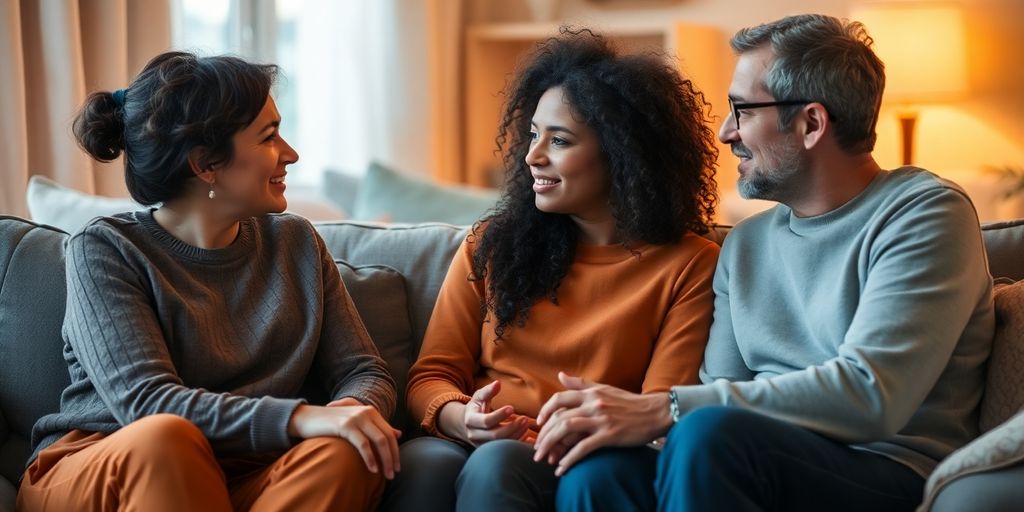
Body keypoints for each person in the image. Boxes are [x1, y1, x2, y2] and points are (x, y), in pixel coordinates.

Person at [536, 14, 995, 511]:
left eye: (743, 110)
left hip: (886, 469)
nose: (724, 132)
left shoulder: (923, 213)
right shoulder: (746, 245)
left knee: (710, 436)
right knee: (598, 471)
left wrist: (665, 406)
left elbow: (872, 395)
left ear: (811, 124)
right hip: (749, 456)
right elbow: (719, 391)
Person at [17, 51, 400, 512]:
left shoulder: (297, 243)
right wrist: (300, 418)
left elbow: (364, 371)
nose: (291, 154)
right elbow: (146, 403)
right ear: (205, 164)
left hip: (251, 473)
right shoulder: (104, 249)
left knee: (353, 449)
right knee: (167, 438)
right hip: (112, 462)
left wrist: (349, 412)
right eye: (269, 137)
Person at [381, 28, 721, 512]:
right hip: (475, 439)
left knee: (498, 463)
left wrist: (532, 435)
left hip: (588, 454)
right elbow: (431, 376)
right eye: (533, 134)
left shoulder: (688, 264)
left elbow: (659, 406)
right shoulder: (490, 244)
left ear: (622, 154)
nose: (532, 155)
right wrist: (464, 419)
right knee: (423, 462)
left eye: (559, 140)